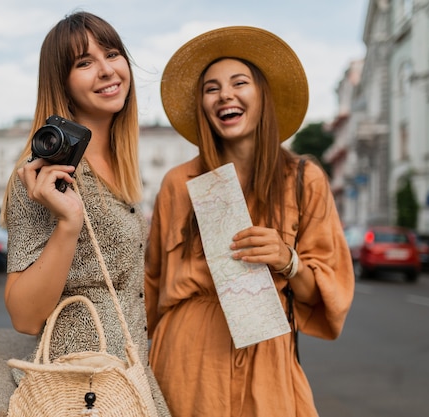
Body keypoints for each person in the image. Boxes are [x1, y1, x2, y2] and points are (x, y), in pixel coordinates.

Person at [145, 26, 355, 416]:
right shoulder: (179, 183)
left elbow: (327, 293)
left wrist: (287, 259)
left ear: (262, 97)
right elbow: (151, 282)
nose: (225, 94)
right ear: (203, 106)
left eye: (239, 83)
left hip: (266, 353)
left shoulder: (303, 178)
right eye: (211, 88)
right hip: (187, 359)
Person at [0, 11, 170, 416]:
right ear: (63, 83)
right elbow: (23, 315)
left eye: (112, 54)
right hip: (79, 390)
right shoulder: (44, 173)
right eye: (84, 63)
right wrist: (69, 223)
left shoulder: (120, 163)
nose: (106, 71)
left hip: (127, 378)